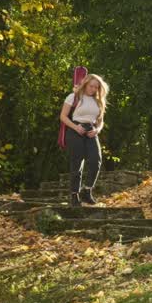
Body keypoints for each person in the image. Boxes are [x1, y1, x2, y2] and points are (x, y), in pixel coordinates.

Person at [60, 74, 109, 206]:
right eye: (91, 86)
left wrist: (97, 130)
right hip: (75, 129)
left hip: (91, 131)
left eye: (96, 87)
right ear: (85, 84)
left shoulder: (99, 100)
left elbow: (101, 121)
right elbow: (63, 116)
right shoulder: (74, 97)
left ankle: (87, 191)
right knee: (77, 163)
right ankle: (74, 195)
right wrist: (76, 127)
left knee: (95, 160)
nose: (93, 89)